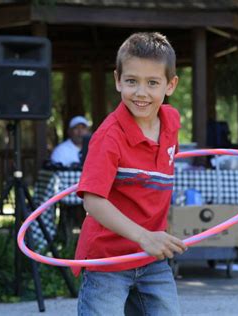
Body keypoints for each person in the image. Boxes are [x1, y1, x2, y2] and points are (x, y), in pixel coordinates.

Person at [74, 32, 187, 315]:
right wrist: (144, 236)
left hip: (152, 257)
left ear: (170, 85)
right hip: (107, 260)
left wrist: (157, 235)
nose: (141, 92)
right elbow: (93, 200)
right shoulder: (109, 137)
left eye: (152, 83)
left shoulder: (171, 122)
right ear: (117, 80)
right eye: (131, 81)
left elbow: (157, 184)